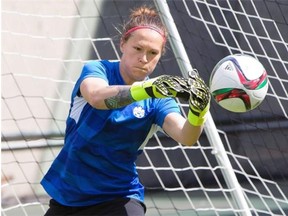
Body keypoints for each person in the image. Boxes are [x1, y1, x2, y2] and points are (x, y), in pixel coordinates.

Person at [41, 5, 210, 216]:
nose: (144, 58)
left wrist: (198, 112)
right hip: (68, 195)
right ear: (123, 44)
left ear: (160, 56)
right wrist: (147, 89)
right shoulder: (97, 70)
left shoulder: (158, 99)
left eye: (153, 53)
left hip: (118, 197)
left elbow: (186, 136)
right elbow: (96, 97)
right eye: (138, 48)